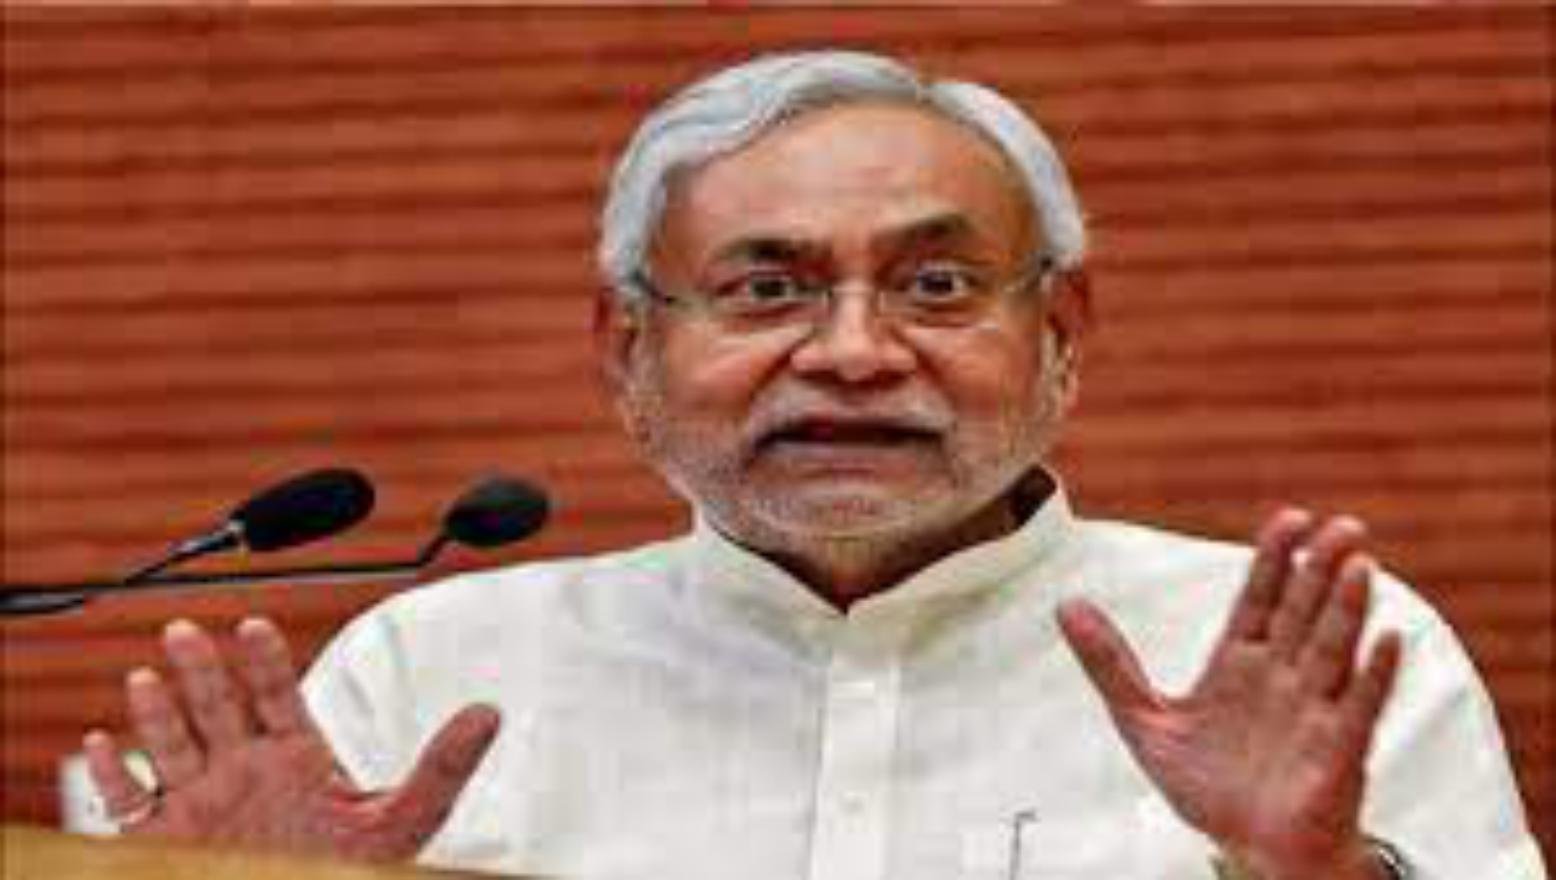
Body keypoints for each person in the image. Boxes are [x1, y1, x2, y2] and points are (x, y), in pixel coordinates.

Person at [82, 50, 1543, 880]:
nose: (852, 351)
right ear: (627, 346)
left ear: (1062, 331)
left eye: (936, 287)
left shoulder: (1309, 663)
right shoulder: (424, 675)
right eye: (766, 290)